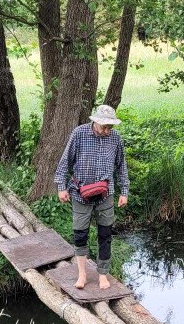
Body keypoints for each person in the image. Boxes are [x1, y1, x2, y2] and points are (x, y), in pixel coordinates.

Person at [54, 105, 129, 290]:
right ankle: (82, 275)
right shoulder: (79, 134)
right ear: (94, 121)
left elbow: (121, 166)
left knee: (105, 235)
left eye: (110, 126)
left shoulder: (115, 138)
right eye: (104, 126)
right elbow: (65, 161)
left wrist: (124, 191)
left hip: (106, 193)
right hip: (81, 194)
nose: (107, 130)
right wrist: (61, 187)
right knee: (80, 235)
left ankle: (103, 275)